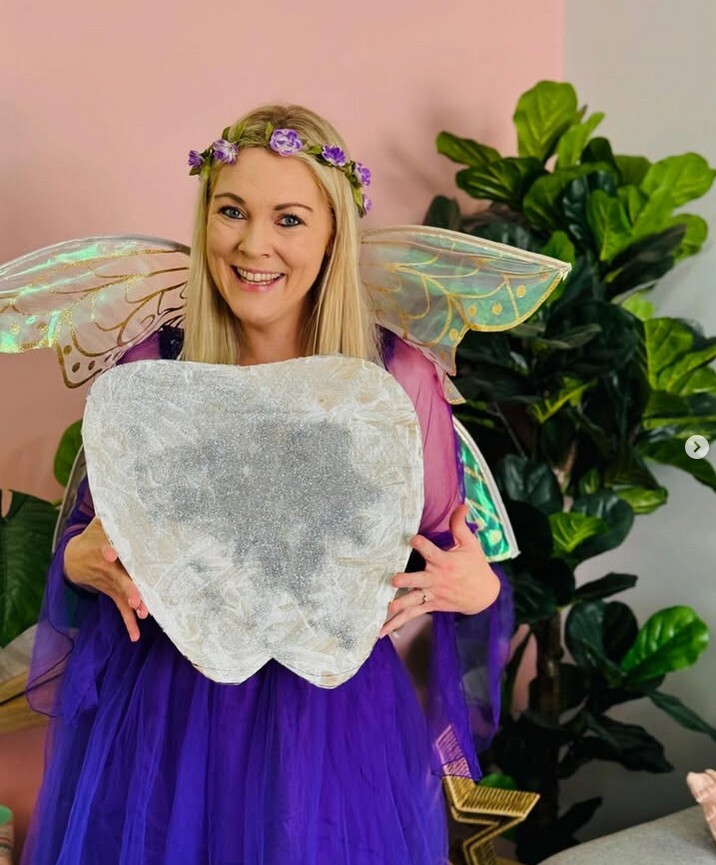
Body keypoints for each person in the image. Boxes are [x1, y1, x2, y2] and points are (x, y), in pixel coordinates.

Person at [21, 104, 502, 864]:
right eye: (232, 211)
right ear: (204, 215)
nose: (253, 244)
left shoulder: (393, 378)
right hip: (167, 718)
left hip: (329, 723)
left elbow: (450, 552)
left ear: (333, 235)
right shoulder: (154, 368)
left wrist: (474, 588)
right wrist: (81, 561)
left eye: (289, 219)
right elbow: (95, 541)